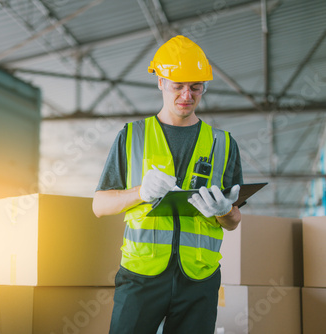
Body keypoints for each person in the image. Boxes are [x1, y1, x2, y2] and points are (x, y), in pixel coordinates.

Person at [92, 35, 243, 334]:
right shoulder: (132, 136)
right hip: (141, 276)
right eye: (178, 86)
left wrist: (224, 211)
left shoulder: (223, 144)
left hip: (199, 278)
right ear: (160, 82)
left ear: (204, 87)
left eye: (195, 87)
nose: (187, 95)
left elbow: (233, 221)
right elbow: (99, 205)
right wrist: (140, 192)